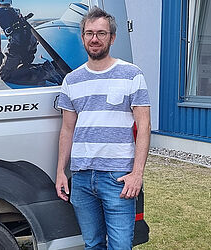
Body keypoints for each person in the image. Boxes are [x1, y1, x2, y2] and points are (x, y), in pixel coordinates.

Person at [55, 7, 151, 250]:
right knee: (92, 244)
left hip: (118, 177)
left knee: (120, 246)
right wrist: (60, 172)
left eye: (101, 33)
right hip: (82, 177)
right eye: (89, 33)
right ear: (83, 37)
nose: (94, 39)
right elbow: (67, 130)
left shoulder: (131, 74)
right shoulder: (72, 80)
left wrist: (137, 174)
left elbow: (145, 125)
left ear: (112, 38)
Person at [0, 0, 63, 85]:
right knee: (22, 66)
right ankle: (51, 68)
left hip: (18, 44)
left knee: (5, 75)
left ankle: (46, 72)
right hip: (31, 42)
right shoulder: (16, 11)